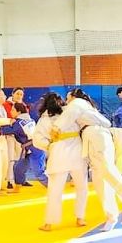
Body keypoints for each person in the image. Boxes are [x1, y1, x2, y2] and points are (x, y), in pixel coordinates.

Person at [68, 89, 122, 232]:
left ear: (75, 98)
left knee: (106, 170)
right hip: (95, 138)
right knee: (99, 181)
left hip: (97, 137)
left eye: (68, 98)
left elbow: (64, 122)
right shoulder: (85, 109)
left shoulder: (78, 106)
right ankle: (111, 216)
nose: (67, 101)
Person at [33, 92, 88, 232]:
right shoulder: (71, 113)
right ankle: (80, 217)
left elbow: (37, 139)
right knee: (81, 186)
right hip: (77, 151)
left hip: (58, 153)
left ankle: (49, 223)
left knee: (54, 190)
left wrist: (49, 145)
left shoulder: (44, 119)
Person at [9, 102, 48, 190]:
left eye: (13, 110)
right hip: (29, 148)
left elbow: (7, 130)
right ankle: (18, 186)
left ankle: (53, 186)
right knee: (18, 167)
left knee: (38, 172)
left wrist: (7, 121)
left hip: (35, 148)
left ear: (19, 112)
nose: (11, 112)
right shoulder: (30, 120)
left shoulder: (19, 123)